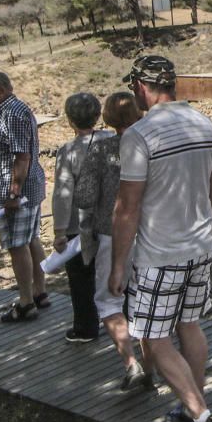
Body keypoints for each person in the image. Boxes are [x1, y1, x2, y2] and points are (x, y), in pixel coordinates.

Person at [109, 55, 212, 422]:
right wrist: (210, 234)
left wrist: (118, 264)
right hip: (200, 245)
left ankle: (199, 413)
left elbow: (128, 208)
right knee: (189, 325)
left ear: (141, 87)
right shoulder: (204, 124)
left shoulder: (139, 135)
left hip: (160, 253)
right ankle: (192, 401)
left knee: (153, 337)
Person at [74, 91, 153, 390]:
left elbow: (83, 195)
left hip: (112, 233)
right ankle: (152, 364)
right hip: (150, 231)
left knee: (108, 301)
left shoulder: (101, 149)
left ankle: (131, 363)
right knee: (146, 300)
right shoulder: (151, 145)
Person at [0, 71, 50, 323]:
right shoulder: (9, 111)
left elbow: (22, 156)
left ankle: (26, 302)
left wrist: (12, 192)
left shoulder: (12, 113)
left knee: (17, 245)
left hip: (18, 193)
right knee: (31, 239)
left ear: (1, 90)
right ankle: (39, 292)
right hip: (24, 189)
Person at [52, 92, 112, 343]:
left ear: (70, 121)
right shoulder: (115, 141)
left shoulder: (68, 151)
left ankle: (86, 327)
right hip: (114, 221)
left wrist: (59, 230)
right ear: (98, 116)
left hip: (82, 226)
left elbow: (62, 194)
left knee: (80, 278)